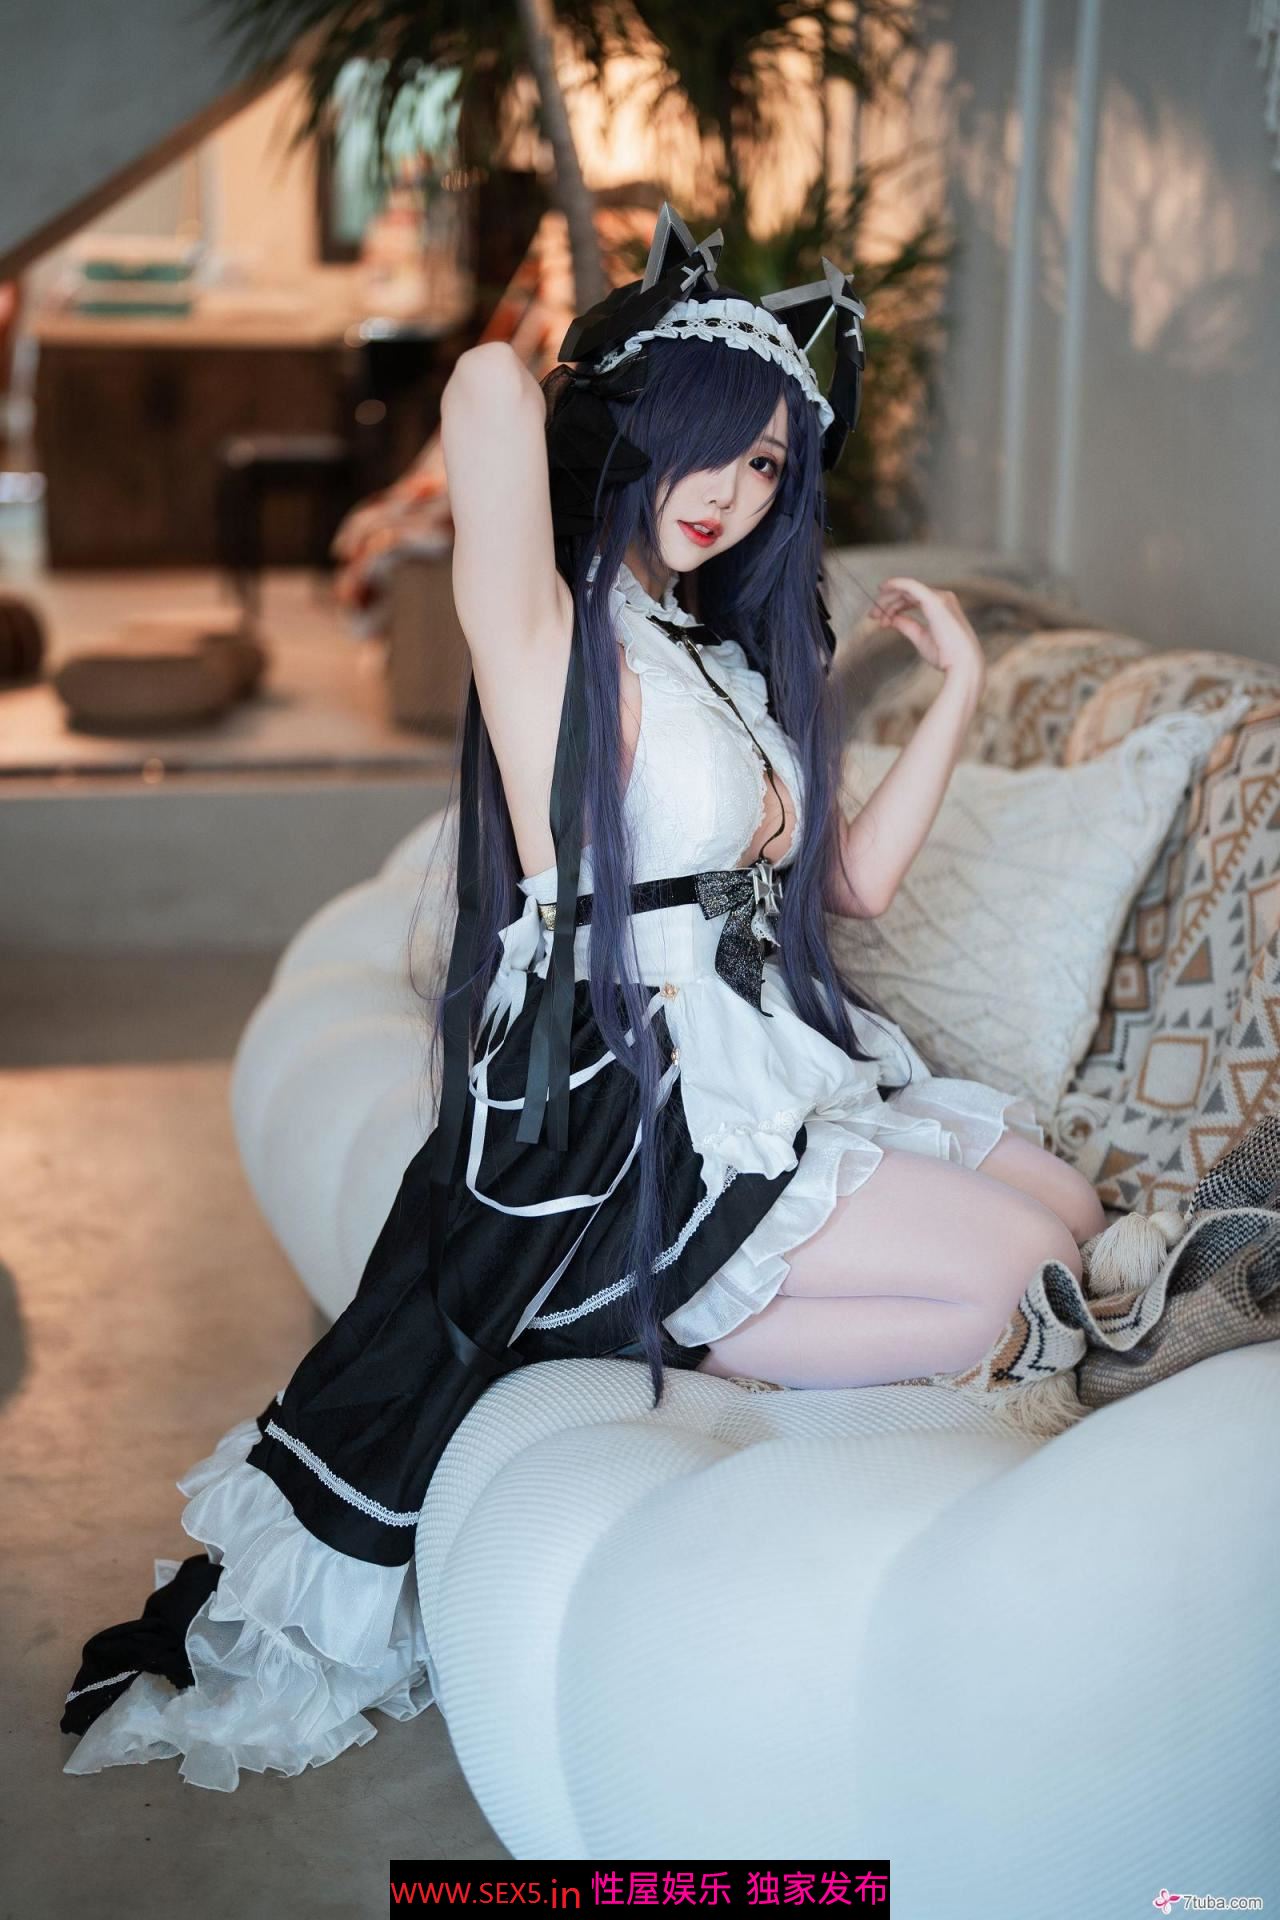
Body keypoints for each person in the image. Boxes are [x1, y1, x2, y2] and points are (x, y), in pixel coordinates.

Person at [60, 205, 1105, 1791]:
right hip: (633, 1105)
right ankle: (644, 1309)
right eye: (703, 444)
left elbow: (849, 887)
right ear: (631, 428)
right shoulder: (552, 635)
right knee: (1025, 1278)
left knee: (1069, 1210)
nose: (730, 490)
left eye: (767, 466)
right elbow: (487, 390)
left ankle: (675, 1308)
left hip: (758, 1061)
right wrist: (629, 347)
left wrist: (956, 686)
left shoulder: (719, 661)